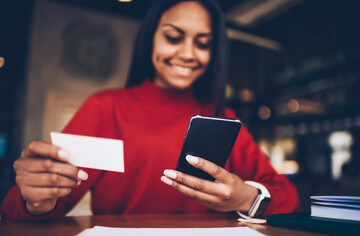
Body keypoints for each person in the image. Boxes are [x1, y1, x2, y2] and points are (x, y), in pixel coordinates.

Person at [0, 0, 299, 221]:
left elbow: (288, 196)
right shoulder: (107, 107)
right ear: (150, 39)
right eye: (173, 37)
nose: (187, 54)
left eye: (203, 43)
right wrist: (37, 200)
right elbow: (38, 204)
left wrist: (245, 197)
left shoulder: (223, 117)